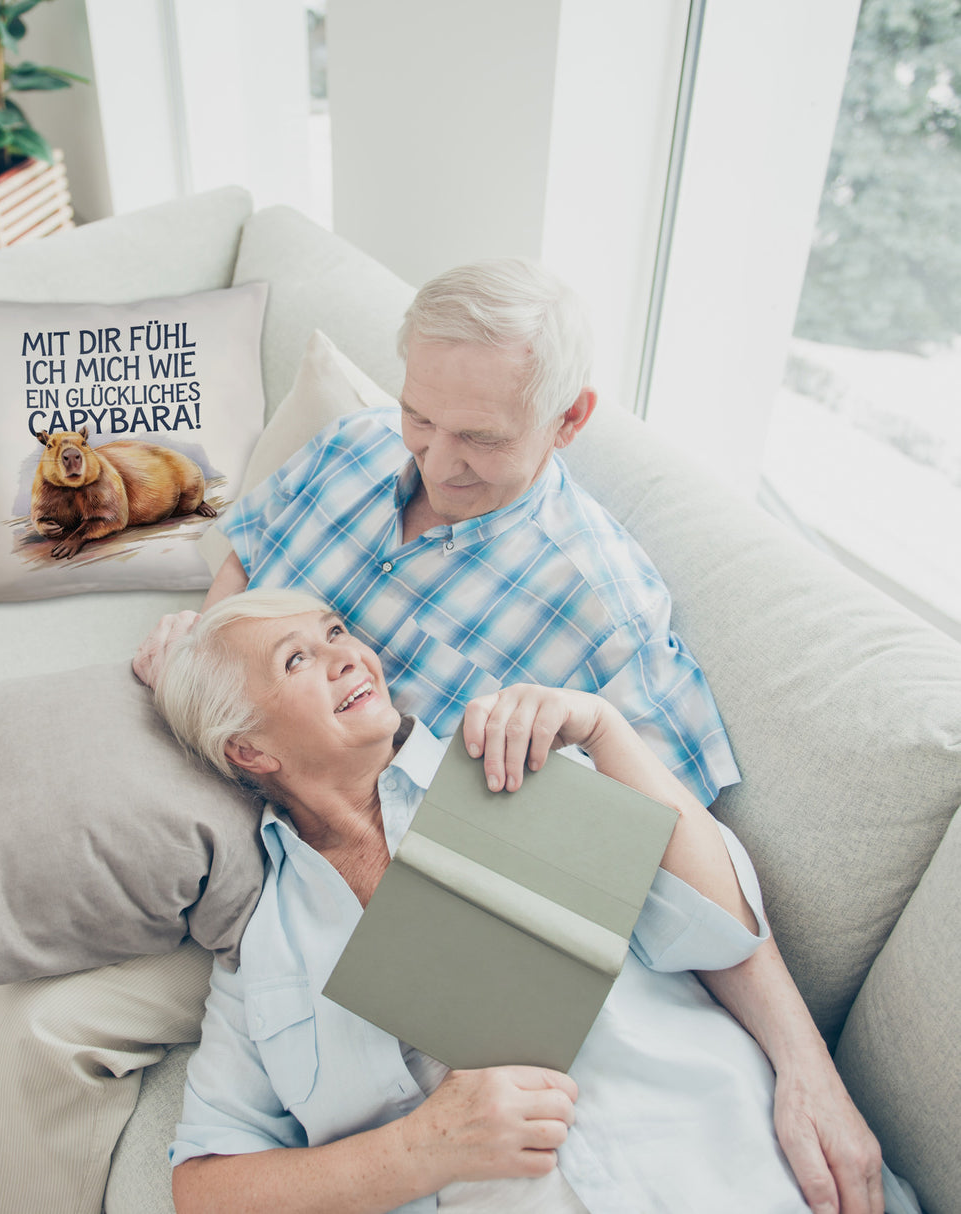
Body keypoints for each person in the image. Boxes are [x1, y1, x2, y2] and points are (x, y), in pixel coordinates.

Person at [135, 259, 883, 1213]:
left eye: (479, 438)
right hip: (241, 834)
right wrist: (209, 660)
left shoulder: (579, 657)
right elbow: (247, 553)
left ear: (569, 420)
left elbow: (691, 884)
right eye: (421, 418)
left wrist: (805, 1067)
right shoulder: (355, 450)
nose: (436, 462)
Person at [154, 588, 906, 1214]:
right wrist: (421, 1149)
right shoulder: (264, 952)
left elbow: (719, 929)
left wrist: (605, 730)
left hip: (734, 1167)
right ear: (249, 750)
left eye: (336, 632)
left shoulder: (509, 761)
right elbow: (205, 1187)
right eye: (297, 659)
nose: (348, 655)